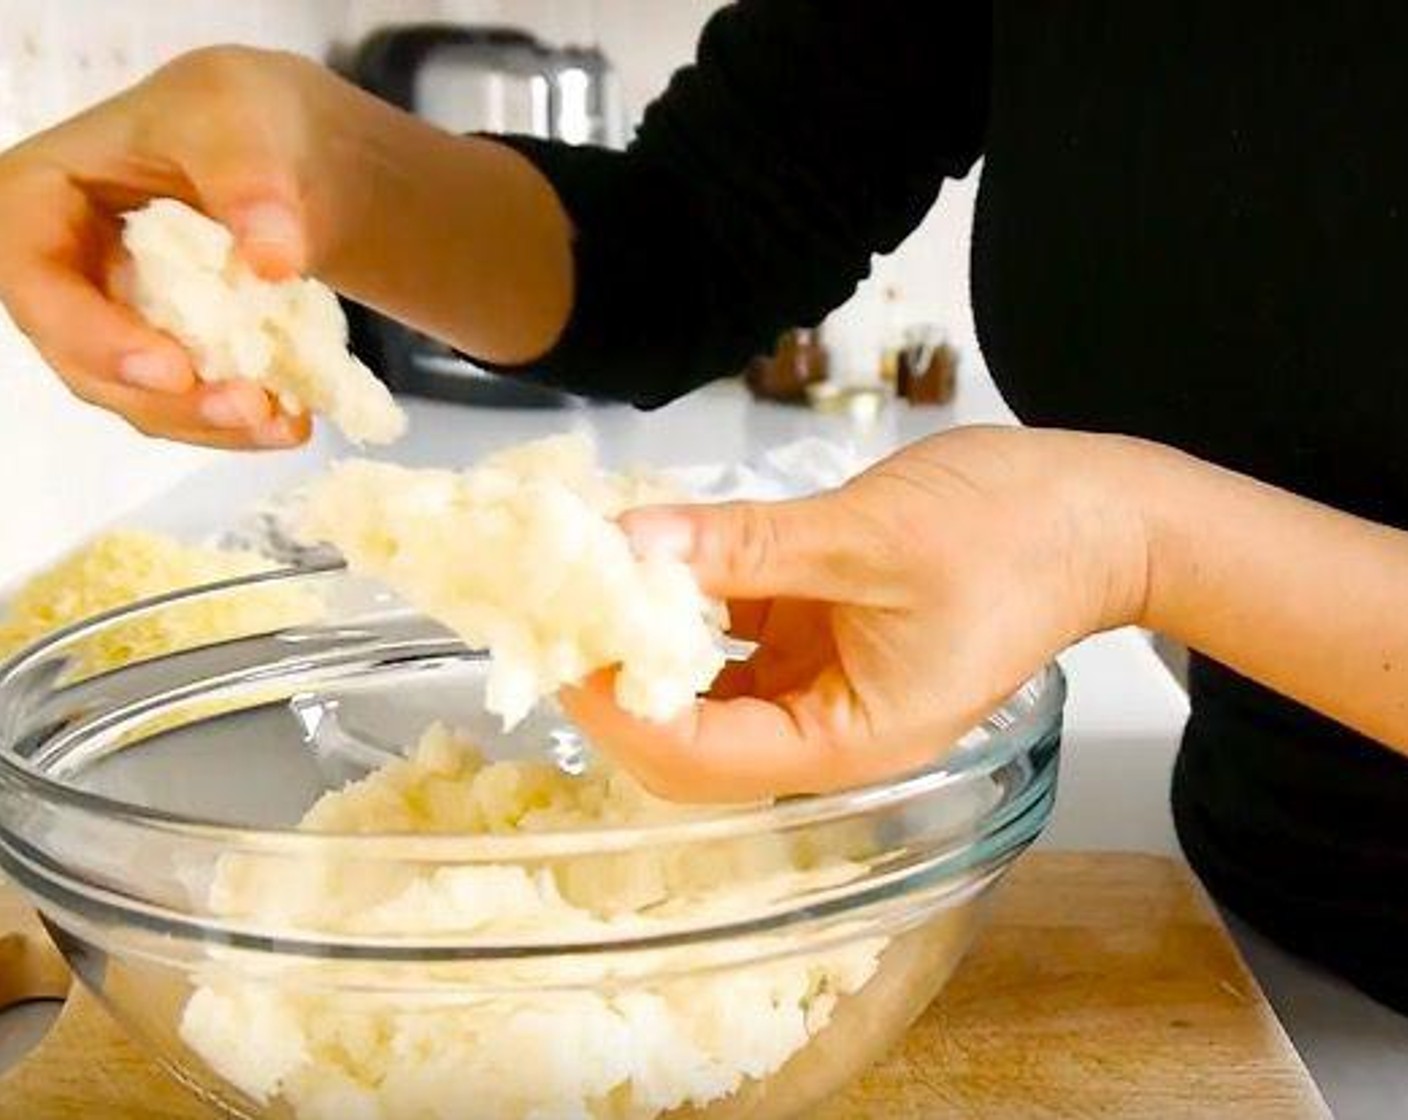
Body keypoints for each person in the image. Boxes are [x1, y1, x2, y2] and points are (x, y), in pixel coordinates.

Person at [1, 2, 1407, 1014]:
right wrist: (322, 159)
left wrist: (1135, 541)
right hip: (1244, 918)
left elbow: (1136, 526)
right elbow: (691, 238)